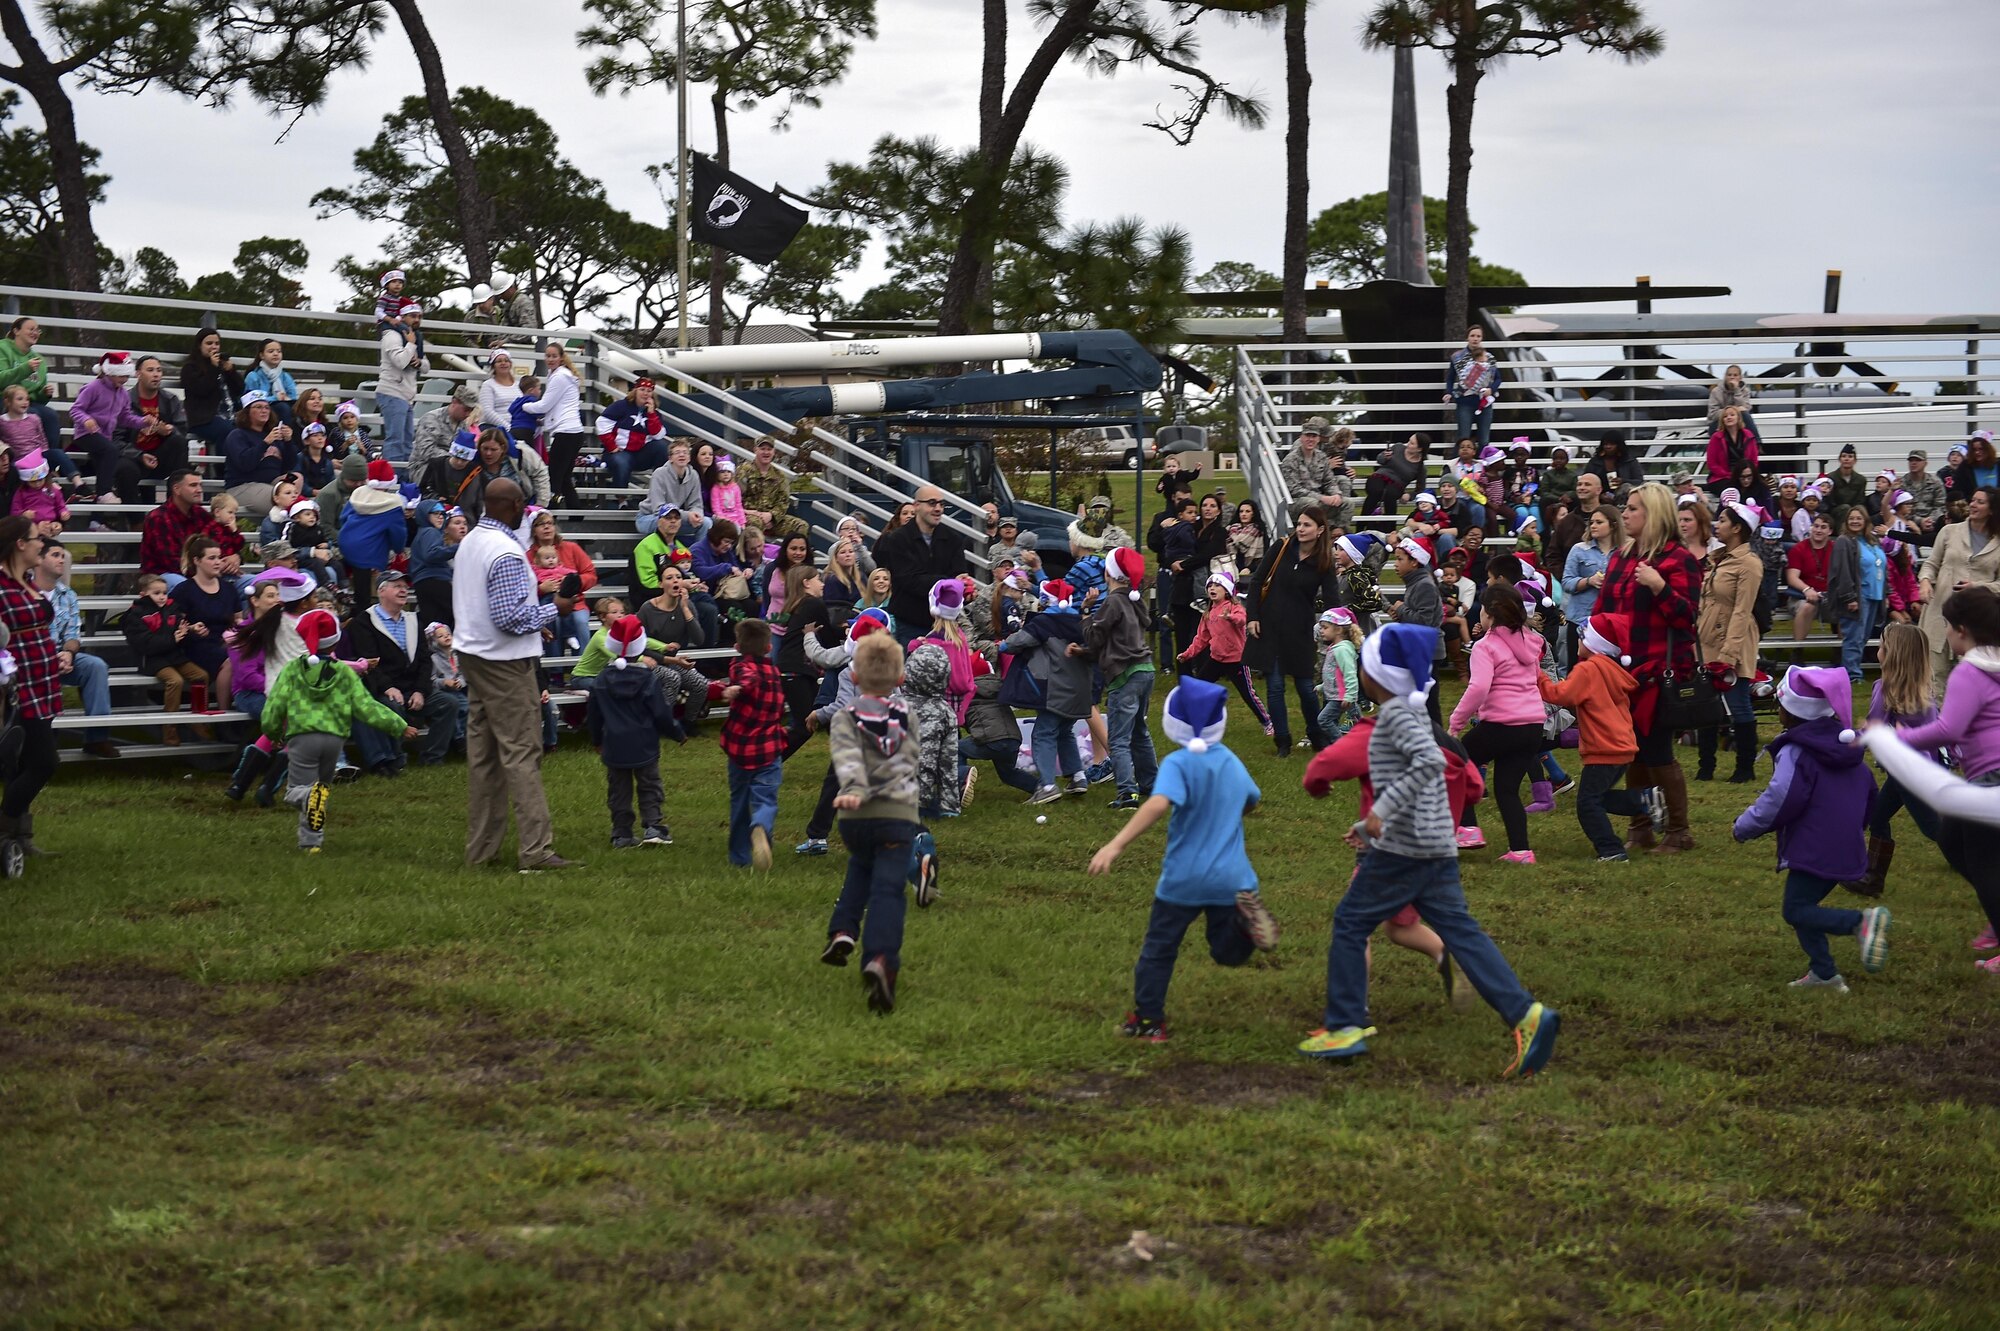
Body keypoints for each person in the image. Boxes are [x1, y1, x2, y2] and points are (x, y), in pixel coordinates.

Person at [1297, 623, 1561, 1075]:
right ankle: (1526, 1014)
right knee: (1462, 932)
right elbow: (1451, 777)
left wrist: (1376, 809)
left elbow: (1408, 763)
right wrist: (1371, 820)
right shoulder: (1424, 721)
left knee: (1350, 921)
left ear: (1377, 676)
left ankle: (1345, 1025)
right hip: (1438, 848)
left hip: (1400, 850)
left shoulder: (1388, 720)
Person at [1086, 677, 1277, 1043]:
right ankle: (1245, 929)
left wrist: (1116, 844)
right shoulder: (1230, 761)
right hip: (1233, 881)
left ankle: (1148, 1022)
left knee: (1159, 949)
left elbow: (1158, 802)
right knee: (1225, 953)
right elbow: (1252, 799)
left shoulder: (1177, 764)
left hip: (1184, 881)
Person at [452, 477, 580, 872]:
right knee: (522, 751)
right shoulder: (506, 551)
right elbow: (510, 617)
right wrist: (555, 607)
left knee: (486, 756)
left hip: (475, 655)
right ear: (515, 505)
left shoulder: (472, 540)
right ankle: (536, 851)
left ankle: (481, 851)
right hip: (505, 663)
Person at [1732, 666, 1885, 993]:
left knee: (1796, 909)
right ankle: (1824, 973)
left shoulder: (1796, 751)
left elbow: (1780, 797)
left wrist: (1745, 826)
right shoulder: (1848, 750)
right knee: (1804, 907)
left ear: (1790, 713)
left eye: (1780, 706)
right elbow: (1870, 794)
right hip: (1845, 843)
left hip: (1815, 845)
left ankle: (1860, 923)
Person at [811, 631, 926, 1012]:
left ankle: (843, 929)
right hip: (895, 816)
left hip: (854, 816)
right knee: (887, 891)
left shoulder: (845, 717)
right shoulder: (907, 714)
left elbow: (845, 758)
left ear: (854, 677)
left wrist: (857, 789)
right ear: (900, 679)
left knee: (860, 867)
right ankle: (880, 959)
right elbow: (908, 761)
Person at [1886, 586, 2000, 969]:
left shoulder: (1970, 670)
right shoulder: (1995, 662)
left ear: (1963, 630)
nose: (1947, 634)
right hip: (1987, 778)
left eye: (1949, 626)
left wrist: (1900, 738)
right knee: (1950, 837)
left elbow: (1949, 728)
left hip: (1991, 779)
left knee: (1982, 861)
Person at [1594, 482, 1703, 854]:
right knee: (1631, 750)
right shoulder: (1622, 556)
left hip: (1660, 670)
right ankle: (1641, 827)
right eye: (1625, 508)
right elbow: (1603, 609)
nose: (1624, 514)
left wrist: (1660, 587)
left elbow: (1687, 620)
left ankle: (1679, 831)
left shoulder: (1678, 560)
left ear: (1654, 514)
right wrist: (1589, 639)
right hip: (1620, 670)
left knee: (1656, 750)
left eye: (1634, 508)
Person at [261, 609, 415, 854]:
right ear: (335, 640)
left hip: (303, 737)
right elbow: (366, 707)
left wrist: (272, 733)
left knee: (297, 790)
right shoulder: (344, 672)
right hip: (335, 740)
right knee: (319, 793)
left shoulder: (292, 670)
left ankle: (308, 813)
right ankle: (311, 843)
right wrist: (399, 725)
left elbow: (275, 705)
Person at [1535, 611, 1664, 861]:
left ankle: (1611, 850)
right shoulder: (1609, 668)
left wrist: (1538, 675)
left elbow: (1560, 696)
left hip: (1604, 748)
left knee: (1587, 804)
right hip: (1622, 746)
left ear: (1594, 644)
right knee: (1598, 798)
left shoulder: (1589, 669)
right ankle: (1644, 799)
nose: (1578, 641)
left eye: (1582, 636)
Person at [1447, 584, 1547, 865]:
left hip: (1501, 725)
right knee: (1506, 788)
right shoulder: (1530, 640)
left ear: (1489, 614)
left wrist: (1457, 721)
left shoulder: (1485, 646)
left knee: (1456, 761)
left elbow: (1478, 687)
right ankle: (1521, 851)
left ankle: (1467, 829)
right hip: (1532, 726)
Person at [1840, 623, 1938, 898]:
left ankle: (1980, 860)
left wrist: (1840, 741)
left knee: (1935, 829)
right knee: (1875, 815)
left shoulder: (1885, 688)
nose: (1878, 650)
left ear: (1891, 653)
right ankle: (1872, 879)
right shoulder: (1924, 688)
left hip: (1909, 772)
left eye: (1881, 645)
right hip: (1918, 769)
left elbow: (1873, 730)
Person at [1246, 505, 1344, 753]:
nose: (1300, 529)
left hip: (1300, 630)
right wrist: (1252, 616)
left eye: (1307, 525)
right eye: (1299, 524)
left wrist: (1335, 629)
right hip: (1269, 626)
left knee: (1305, 688)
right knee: (1275, 686)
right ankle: (1283, 740)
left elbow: (1333, 600)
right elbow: (1257, 581)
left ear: (1320, 530)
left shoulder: (1324, 561)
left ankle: (1316, 733)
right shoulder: (1281, 547)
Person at [340, 569, 456, 773]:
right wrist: (388, 687)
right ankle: (395, 759)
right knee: (391, 706)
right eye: (397, 586)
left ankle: (431, 758)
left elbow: (424, 659)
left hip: (413, 688)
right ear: (382, 591)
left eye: (405, 587)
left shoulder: (414, 621)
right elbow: (367, 662)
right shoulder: (364, 622)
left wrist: (421, 690)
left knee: (448, 704)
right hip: (383, 688)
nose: (403, 591)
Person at [586, 615, 684, 849]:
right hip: (644, 743)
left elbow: (594, 715)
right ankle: (653, 826)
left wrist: (597, 739)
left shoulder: (601, 680)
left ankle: (621, 833)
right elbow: (660, 712)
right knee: (649, 784)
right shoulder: (647, 678)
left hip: (614, 744)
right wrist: (677, 732)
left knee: (618, 790)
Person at [1077, 546, 1157, 811]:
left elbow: (1095, 637)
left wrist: (1086, 612)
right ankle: (1151, 784)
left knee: (1119, 739)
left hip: (1125, 675)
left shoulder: (1113, 601)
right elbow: (1114, 639)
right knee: (1139, 732)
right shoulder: (1135, 600)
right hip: (1146, 670)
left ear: (1109, 573)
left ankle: (1127, 793)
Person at [1000, 579, 1092, 805]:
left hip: (1056, 688)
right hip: (1080, 689)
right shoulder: (1081, 620)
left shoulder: (1045, 621)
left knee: (1043, 733)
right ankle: (1078, 777)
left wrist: (1001, 646)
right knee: (1064, 730)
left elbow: (1018, 642)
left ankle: (1048, 785)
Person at [0, 516, 60, 851]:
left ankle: (20, 837)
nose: (43, 543)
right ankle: (5, 823)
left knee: (22, 762)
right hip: (16, 687)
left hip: (44, 680)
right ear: (20, 544)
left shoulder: (27, 581)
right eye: (37, 538)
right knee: (44, 763)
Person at [1696, 502, 1767, 782]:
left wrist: (1729, 652)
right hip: (1707, 639)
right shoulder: (1717, 558)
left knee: (1738, 705)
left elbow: (1742, 609)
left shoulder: (1749, 563)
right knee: (1705, 705)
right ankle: (1706, 766)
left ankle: (1745, 767)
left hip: (1733, 640)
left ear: (1737, 528)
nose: (1717, 524)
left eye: (1722, 520)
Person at [37, 538, 116, 758]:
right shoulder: (25, 592)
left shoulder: (68, 595)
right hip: (35, 657)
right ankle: (43, 739)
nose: (61, 560)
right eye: (55, 555)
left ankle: (97, 738)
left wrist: (68, 653)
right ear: (38, 559)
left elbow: (73, 634)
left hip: (62, 656)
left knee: (95, 666)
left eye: (63, 556)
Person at [1918, 486, 2000, 695]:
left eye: (1980, 502)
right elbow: (1931, 564)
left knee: (1972, 683)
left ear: (1992, 509)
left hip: (1978, 621)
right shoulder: (1949, 532)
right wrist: (1926, 581)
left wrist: (1979, 587)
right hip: (1940, 615)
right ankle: (1935, 722)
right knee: (1933, 678)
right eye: (1972, 500)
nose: (1973, 505)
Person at [719, 617, 785, 871]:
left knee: (739, 800)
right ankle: (761, 825)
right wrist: (743, 686)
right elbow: (751, 678)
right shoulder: (773, 670)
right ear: (769, 648)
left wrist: (737, 688)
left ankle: (740, 857)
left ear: (737, 647)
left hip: (739, 749)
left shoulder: (738, 666)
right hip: (768, 747)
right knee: (766, 798)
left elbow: (747, 677)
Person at [1176, 569, 1273, 736]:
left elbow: (1242, 620)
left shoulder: (1234, 607)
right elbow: (1201, 638)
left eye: (1217, 585)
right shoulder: (1207, 613)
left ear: (1227, 590)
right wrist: (1187, 654)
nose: (1212, 588)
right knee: (1198, 687)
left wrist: (1230, 618)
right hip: (1216, 659)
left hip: (1237, 659)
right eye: (1210, 586)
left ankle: (1267, 722)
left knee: (1248, 694)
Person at [121, 574, 208, 746]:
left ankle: (199, 720)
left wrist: (190, 629)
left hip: (174, 656)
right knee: (175, 681)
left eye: (164, 593)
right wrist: (172, 639)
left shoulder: (171, 608)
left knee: (201, 676)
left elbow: (179, 627)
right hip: (152, 659)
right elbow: (145, 644)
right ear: (143, 594)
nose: (162, 597)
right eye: (156, 593)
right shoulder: (135, 615)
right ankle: (170, 728)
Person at [874, 484, 969, 641]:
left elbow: (959, 574)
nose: (938, 508)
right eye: (932, 503)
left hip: (945, 624)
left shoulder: (953, 539)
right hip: (909, 622)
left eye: (941, 504)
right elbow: (909, 580)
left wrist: (964, 586)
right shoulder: (897, 539)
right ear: (916, 506)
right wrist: (948, 582)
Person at [1388, 536, 1445, 726]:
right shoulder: (1415, 582)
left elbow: (1424, 622)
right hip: (1419, 649)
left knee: (1427, 703)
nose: (1395, 564)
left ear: (1414, 562)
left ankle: (1438, 742)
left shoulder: (1424, 585)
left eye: (1400, 559)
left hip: (1427, 651)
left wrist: (1402, 609)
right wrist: (1401, 612)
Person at [1827, 503, 1886, 684]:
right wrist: (1849, 597)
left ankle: (1852, 671)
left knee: (1863, 638)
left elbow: (1883, 567)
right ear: (1846, 521)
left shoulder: (1872, 541)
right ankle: (1852, 676)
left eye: (1858, 518)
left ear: (1865, 521)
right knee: (1854, 638)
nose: (1855, 521)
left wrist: (1887, 593)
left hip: (1874, 595)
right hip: (1857, 597)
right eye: (1851, 518)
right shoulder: (1844, 541)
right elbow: (1842, 571)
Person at [170, 535, 243, 682]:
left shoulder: (229, 588)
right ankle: (224, 705)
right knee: (230, 660)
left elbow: (238, 619)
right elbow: (173, 623)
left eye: (219, 557)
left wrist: (238, 629)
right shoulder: (184, 590)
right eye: (211, 558)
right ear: (197, 561)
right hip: (196, 645)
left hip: (225, 641)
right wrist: (191, 628)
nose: (217, 562)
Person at [1559, 505, 1617, 667]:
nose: (1593, 526)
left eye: (1599, 522)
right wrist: (1588, 581)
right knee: (1575, 670)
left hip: (1609, 621)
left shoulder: (1624, 552)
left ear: (1613, 525)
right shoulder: (1578, 550)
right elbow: (1566, 582)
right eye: (1591, 522)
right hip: (1580, 620)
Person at [374, 298, 428, 463]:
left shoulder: (415, 337)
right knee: (396, 440)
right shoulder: (392, 335)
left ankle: (403, 477)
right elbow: (400, 362)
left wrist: (419, 362)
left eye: (419, 316)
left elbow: (426, 367)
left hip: (406, 395)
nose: (417, 319)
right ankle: (393, 479)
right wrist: (410, 345)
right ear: (402, 317)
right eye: (413, 316)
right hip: (392, 392)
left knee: (406, 441)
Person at [179, 327, 246, 452]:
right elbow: (202, 390)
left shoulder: (223, 365)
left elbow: (239, 390)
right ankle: (222, 469)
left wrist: (231, 371)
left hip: (230, 414)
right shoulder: (190, 368)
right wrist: (213, 368)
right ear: (199, 345)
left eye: (217, 343)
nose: (214, 347)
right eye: (209, 343)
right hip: (203, 419)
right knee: (228, 432)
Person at [599, 382, 672, 492]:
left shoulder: (654, 413)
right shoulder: (620, 406)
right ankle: (621, 500)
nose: (645, 393)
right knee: (622, 462)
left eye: (649, 391)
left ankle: (660, 491)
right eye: (642, 389)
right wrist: (612, 446)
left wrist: (651, 414)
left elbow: (658, 435)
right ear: (635, 391)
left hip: (641, 454)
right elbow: (601, 423)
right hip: (619, 451)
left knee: (662, 447)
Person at [738, 437, 807, 543]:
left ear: (774, 452)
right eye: (762, 449)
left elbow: (783, 502)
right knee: (756, 523)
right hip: (748, 517)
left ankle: (793, 556)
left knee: (801, 526)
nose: (766, 452)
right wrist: (750, 513)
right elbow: (733, 498)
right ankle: (758, 557)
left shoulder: (779, 475)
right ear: (755, 450)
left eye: (769, 449)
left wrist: (772, 516)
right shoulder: (744, 471)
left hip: (773, 519)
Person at [1280, 418, 1349, 522]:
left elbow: (1329, 481)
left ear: (1318, 439)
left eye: (1314, 436)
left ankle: (1337, 532)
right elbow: (1294, 490)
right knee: (1313, 504)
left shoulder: (1321, 456)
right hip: (1297, 501)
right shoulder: (1291, 459)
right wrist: (1322, 498)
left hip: (1318, 496)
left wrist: (1336, 494)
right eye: (1307, 436)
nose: (1310, 439)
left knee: (1347, 503)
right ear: (1301, 438)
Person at [1442, 326, 1500, 448]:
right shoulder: (1457, 357)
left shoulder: (1489, 357)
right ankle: (1458, 466)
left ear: (1482, 338)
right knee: (1463, 438)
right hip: (1465, 401)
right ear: (1467, 337)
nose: (1475, 339)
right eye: (1472, 336)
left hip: (1484, 402)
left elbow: (1498, 378)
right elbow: (1451, 377)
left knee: (1484, 439)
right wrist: (1448, 392)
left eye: (1478, 336)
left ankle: (1484, 466)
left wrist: (1491, 389)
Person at [408, 384, 482, 479]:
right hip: (424, 467)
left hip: (452, 466)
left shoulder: (463, 425)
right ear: (454, 402)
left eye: (471, 410)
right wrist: (453, 459)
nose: (468, 414)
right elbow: (426, 451)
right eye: (466, 409)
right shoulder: (431, 419)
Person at [1314, 607, 1362, 742]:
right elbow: (1335, 674)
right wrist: (1323, 687)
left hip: (1341, 697)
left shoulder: (1342, 650)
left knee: (1324, 720)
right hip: (1338, 695)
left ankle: (1340, 746)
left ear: (1339, 630)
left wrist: (1350, 695)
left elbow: (1350, 674)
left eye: (1325, 627)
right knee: (1359, 724)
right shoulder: (1335, 648)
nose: (1321, 631)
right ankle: (1362, 743)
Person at [1785, 512, 1835, 640]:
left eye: (1823, 527)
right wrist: (1807, 590)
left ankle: (1842, 652)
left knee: (1846, 607)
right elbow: (1792, 577)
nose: (1818, 530)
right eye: (1816, 526)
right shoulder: (1799, 548)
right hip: (1801, 595)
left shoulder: (1836, 549)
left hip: (1829, 595)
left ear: (1830, 531)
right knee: (1807, 606)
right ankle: (1797, 650)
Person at [1362, 433, 1429, 516]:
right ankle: (1361, 524)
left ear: (1419, 449)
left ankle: (1390, 527)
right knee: (1376, 491)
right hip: (1379, 476)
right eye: (1409, 441)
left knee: (1390, 494)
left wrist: (1409, 495)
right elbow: (1379, 459)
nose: (1407, 444)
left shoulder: (1420, 467)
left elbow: (1420, 489)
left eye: (1412, 443)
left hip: (1397, 485)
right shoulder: (1398, 447)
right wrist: (1385, 457)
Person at [1704, 406, 1760, 493]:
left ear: (1738, 417)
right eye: (1725, 416)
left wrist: (1747, 474)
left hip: (1745, 475)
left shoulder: (1748, 435)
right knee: (1733, 490)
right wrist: (1728, 475)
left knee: (1761, 488)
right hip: (1722, 477)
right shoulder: (1716, 437)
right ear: (1722, 420)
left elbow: (1754, 460)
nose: (1729, 417)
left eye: (1732, 415)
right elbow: (1711, 463)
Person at [1902, 449, 1948, 544]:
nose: (1913, 463)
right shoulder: (1903, 483)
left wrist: (1930, 520)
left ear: (1925, 463)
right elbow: (1900, 509)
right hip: (1910, 523)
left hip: (1932, 523)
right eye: (1911, 460)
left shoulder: (1935, 482)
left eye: (1918, 460)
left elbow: (1941, 505)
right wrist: (1919, 521)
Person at [478, 350, 523, 432]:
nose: (503, 363)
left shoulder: (519, 385)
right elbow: (487, 412)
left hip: (518, 427)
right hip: (494, 429)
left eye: (506, 360)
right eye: (499, 361)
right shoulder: (488, 385)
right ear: (493, 366)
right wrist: (508, 427)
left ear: (510, 364)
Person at [1706, 363, 1757, 433]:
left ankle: (1756, 442)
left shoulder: (1745, 391)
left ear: (1740, 378)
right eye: (1729, 375)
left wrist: (1737, 391)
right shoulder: (1716, 391)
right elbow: (1712, 415)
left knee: (1744, 414)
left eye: (1735, 375)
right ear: (1725, 377)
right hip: (1719, 423)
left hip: (1737, 424)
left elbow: (1745, 410)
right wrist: (1730, 412)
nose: (1732, 377)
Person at [1225, 500, 1268, 579]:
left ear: (1253, 514)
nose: (1243, 514)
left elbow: (1265, 557)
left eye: (1247, 511)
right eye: (1241, 511)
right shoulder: (1229, 531)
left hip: (1252, 574)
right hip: (1231, 571)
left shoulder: (1260, 532)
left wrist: (1250, 569)